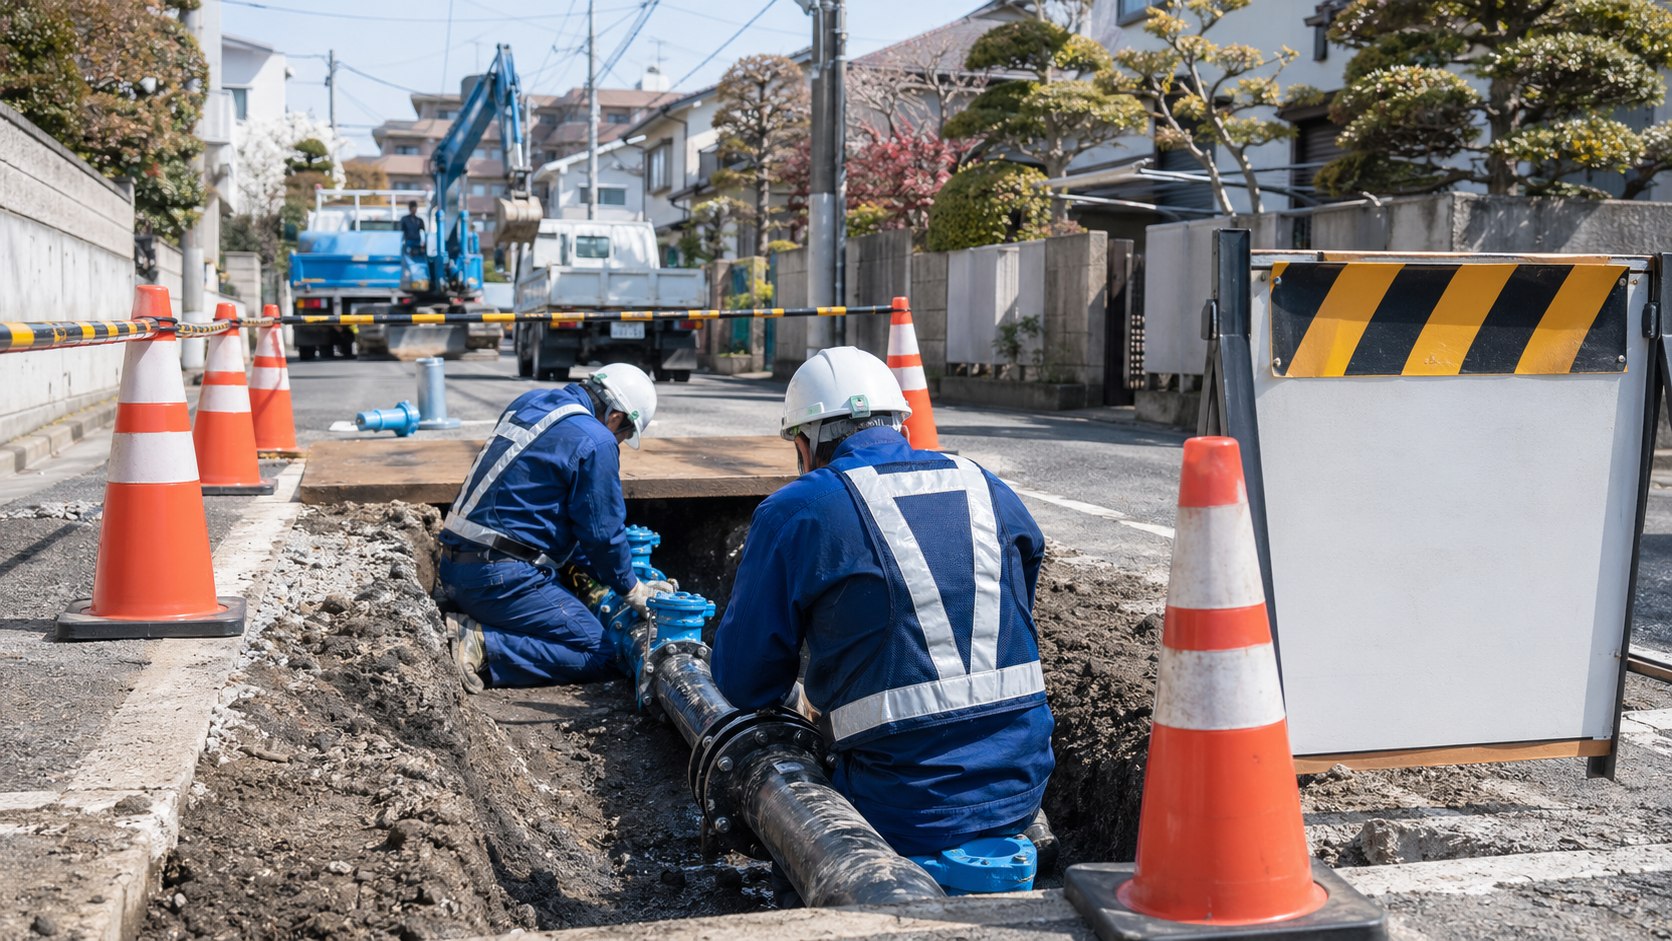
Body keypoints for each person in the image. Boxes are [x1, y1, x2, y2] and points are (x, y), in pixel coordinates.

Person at [710, 347, 1055, 860]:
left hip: (898, 805)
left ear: (804, 445)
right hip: (1023, 788)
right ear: (904, 429)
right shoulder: (986, 485)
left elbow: (745, 681)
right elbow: (1021, 583)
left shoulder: (797, 510)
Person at [440, 364, 671, 692]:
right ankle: (484, 645)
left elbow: (550, 517)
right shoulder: (597, 439)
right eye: (624, 434)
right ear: (617, 417)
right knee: (600, 652)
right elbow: (601, 533)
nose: (619, 442)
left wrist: (617, 575)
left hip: (454, 568)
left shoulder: (532, 401)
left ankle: (478, 623)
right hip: (497, 581)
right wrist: (632, 589)